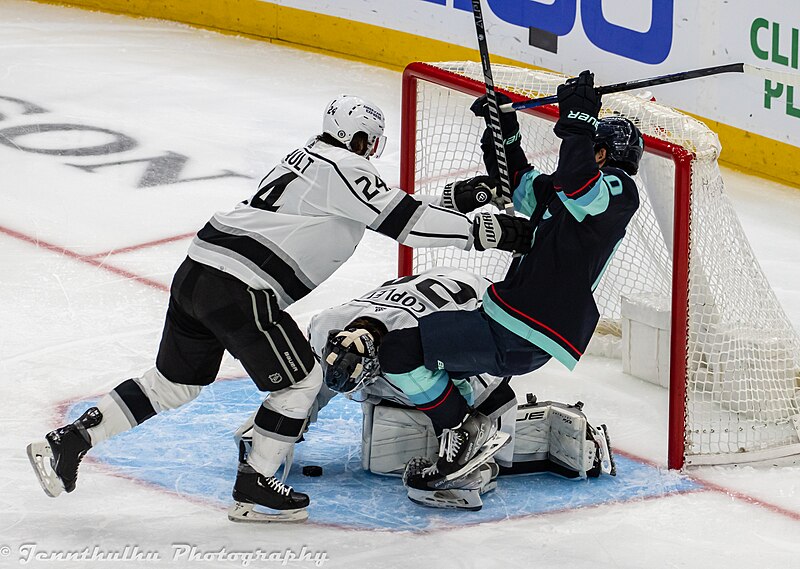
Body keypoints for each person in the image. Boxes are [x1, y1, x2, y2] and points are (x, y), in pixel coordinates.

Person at [26, 95, 533, 523]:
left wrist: (453, 198)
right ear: (363, 140)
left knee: (172, 384)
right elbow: (398, 219)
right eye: (372, 144)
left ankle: (72, 439)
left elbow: (369, 207)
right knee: (303, 380)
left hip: (198, 271)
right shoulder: (347, 167)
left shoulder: (310, 159)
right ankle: (257, 486)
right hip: (241, 288)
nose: (372, 153)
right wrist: (482, 231)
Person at [339, 71, 644, 490]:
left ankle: (462, 434)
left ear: (603, 154)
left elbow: (578, 183)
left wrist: (578, 118)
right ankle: (481, 415)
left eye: (591, 147)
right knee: (434, 354)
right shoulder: (564, 194)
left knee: (398, 351)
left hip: (530, 326)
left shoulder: (618, 189)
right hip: (517, 320)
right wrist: (503, 132)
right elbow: (517, 181)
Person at [303, 266, 615, 511]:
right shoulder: (327, 323)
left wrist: (461, 440)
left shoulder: (419, 334)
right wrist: (278, 427)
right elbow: (316, 382)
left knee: (470, 428)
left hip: (484, 311)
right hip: (432, 295)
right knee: (398, 408)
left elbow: (486, 388)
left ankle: (563, 438)